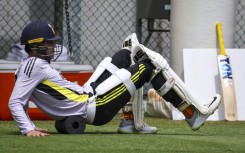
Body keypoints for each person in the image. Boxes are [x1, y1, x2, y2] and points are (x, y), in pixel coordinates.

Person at [8, 21, 221, 137]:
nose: (54, 47)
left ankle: (129, 122)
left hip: (88, 94)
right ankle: (192, 113)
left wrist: (28, 124)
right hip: (93, 106)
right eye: (50, 43)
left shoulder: (30, 66)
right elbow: (16, 100)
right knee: (146, 66)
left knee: (127, 52)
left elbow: (22, 97)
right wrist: (28, 129)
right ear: (36, 44)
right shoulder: (33, 65)